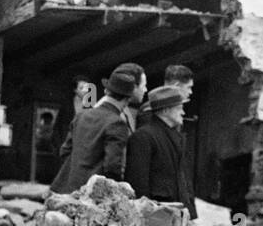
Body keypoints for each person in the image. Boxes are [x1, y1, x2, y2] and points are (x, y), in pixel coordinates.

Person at [50, 66, 144, 194]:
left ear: (107, 92)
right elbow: (112, 167)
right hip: (92, 194)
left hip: (67, 189)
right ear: (127, 99)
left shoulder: (81, 116)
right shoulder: (116, 123)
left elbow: (64, 151)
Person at [125, 85, 198, 214]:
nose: (183, 113)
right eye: (179, 108)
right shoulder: (143, 137)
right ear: (165, 111)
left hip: (177, 214)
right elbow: (138, 183)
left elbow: (184, 182)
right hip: (156, 216)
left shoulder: (176, 138)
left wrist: (192, 214)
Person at [52, 74, 96, 154]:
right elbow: (57, 127)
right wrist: (59, 146)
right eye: (81, 88)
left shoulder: (91, 106)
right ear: (75, 90)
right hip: (67, 145)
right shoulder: (67, 105)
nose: (85, 91)